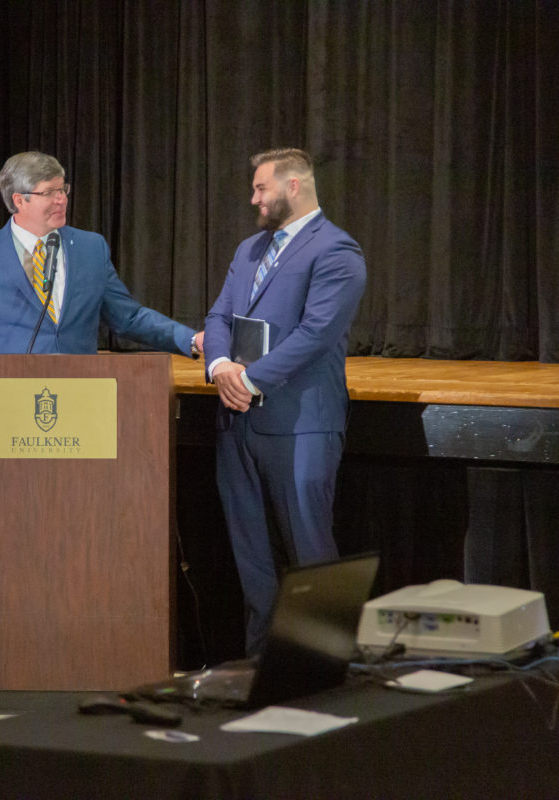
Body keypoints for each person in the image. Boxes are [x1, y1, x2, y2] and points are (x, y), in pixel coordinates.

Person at [202, 148, 367, 655]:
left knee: (310, 553)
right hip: (238, 426)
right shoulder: (249, 249)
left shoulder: (337, 251)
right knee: (252, 559)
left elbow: (316, 334)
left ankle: (325, 671)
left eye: (261, 189)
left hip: (299, 426)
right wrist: (219, 366)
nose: (253, 198)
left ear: (294, 186)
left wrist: (249, 380)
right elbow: (218, 319)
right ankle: (261, 668)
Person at [0, 151, 199, 357]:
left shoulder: (91, 248)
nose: (62, 199)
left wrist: (192, 339)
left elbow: (128, 318)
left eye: (62, 189)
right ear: (19, 200)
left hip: (80, 399)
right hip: (8, 398)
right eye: (49, 192)